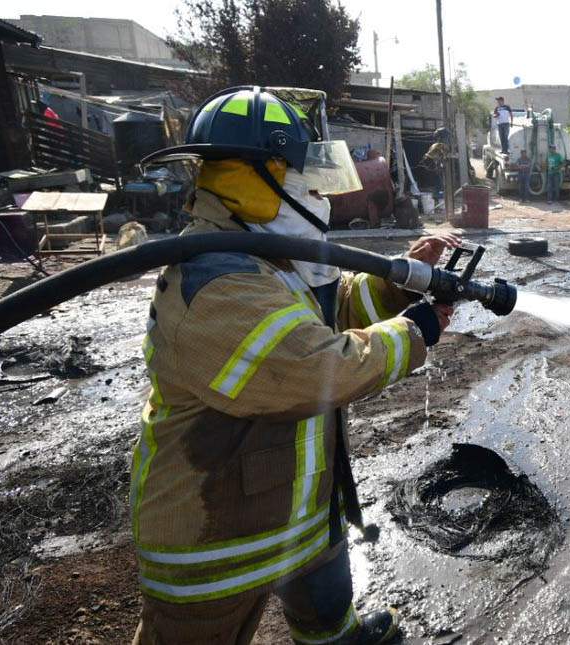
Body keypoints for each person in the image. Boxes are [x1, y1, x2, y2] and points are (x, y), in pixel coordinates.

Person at [132, 86, 459, 645]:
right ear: (254, 176)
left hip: (294, 510)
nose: (318, 193)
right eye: (303, 176)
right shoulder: (216, 281)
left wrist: (393, 285)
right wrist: (416, 332)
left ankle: (337, 636)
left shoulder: (267, 252)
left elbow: (328, 307)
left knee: (326, 596)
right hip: (215, 535)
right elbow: (310, 365)